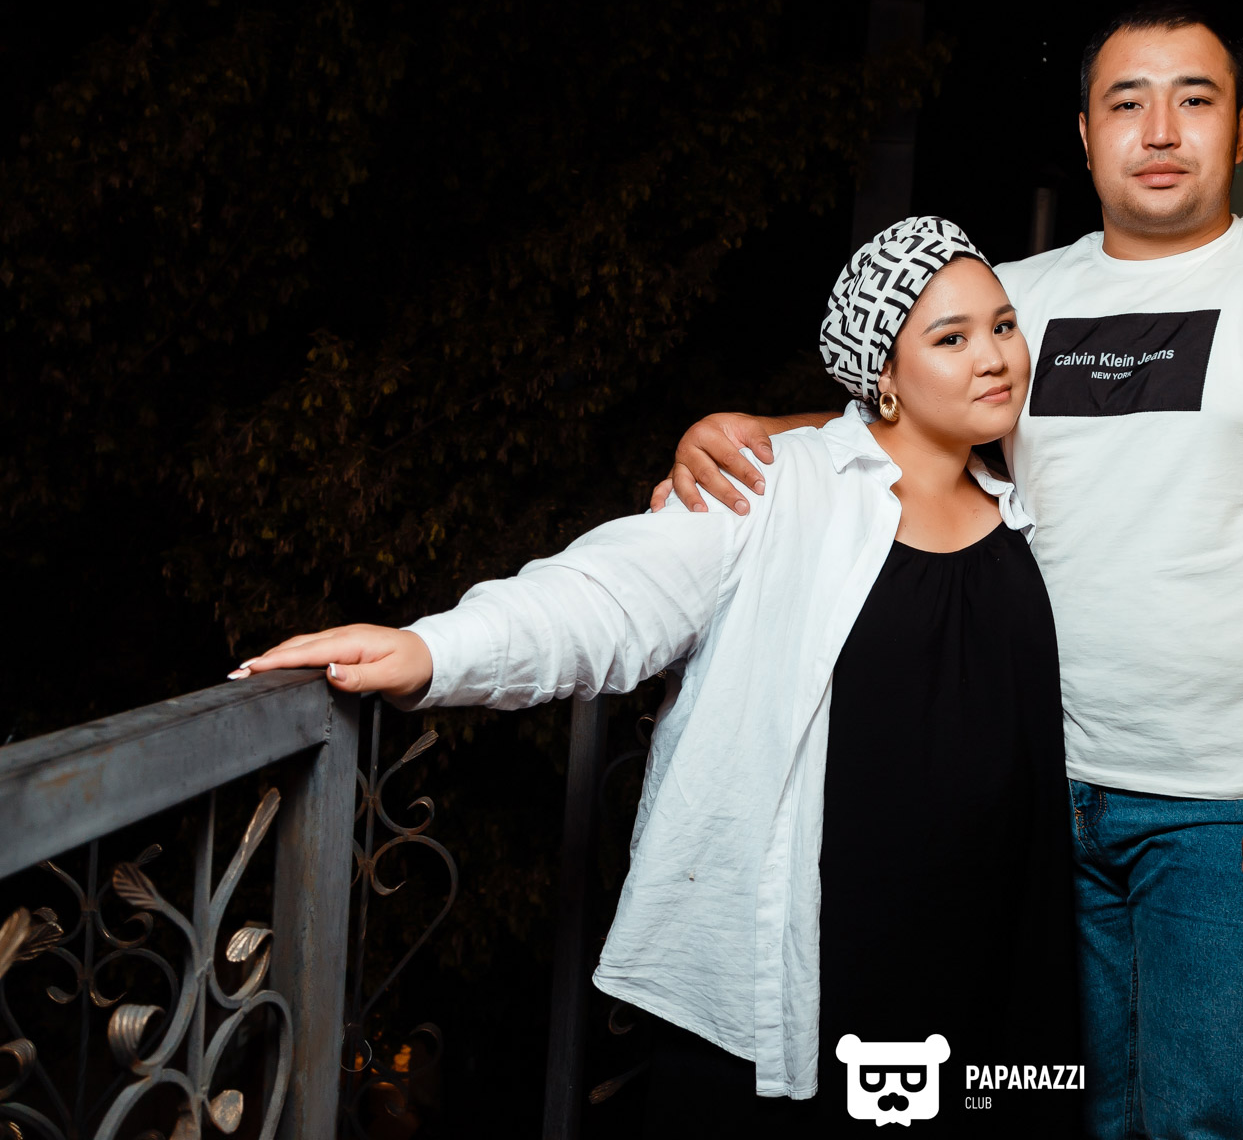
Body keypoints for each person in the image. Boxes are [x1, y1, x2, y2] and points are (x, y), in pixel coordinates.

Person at [654, 0, 1243, 1138]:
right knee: (1043, 1116)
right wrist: (752, 435)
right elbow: (903, 425)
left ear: (1241, 130)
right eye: (1127, 103)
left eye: (1195, 99)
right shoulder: (1017, 299)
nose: (1160, 130)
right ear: (1085, 135)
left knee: (1209, 1124)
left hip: (1228, 814)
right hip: (1026, 796)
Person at [229, 217, 1081, 1135]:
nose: (993, 356)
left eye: (1002, 325)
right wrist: (430, 651)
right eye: (950, 338)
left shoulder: (1020, 498)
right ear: (884, 375)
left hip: (989, 945)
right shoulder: (781, 488)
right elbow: (609, 598)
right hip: (824, 954)